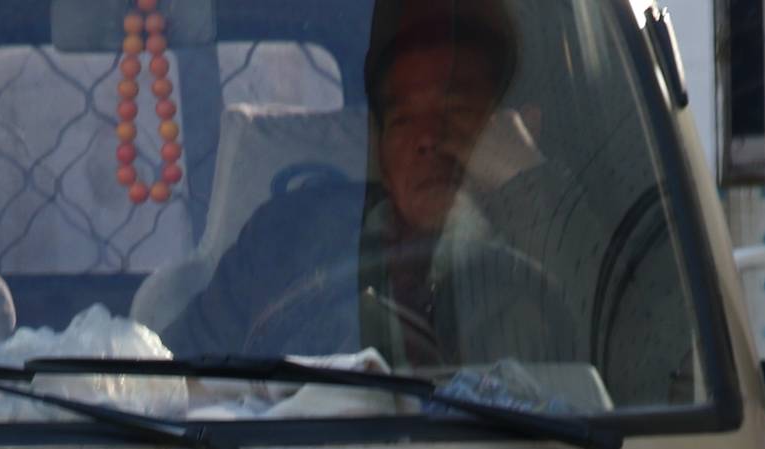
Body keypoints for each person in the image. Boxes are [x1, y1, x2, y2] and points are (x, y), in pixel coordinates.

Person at [160, 4, 568, 372]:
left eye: (455, 111)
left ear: (513, 129)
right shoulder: (283, 240)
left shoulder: (551, 244)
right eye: (404, 119)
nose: (427, 137)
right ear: (381, 152)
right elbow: (177, 385)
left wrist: (526, 181)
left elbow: (621, 364)